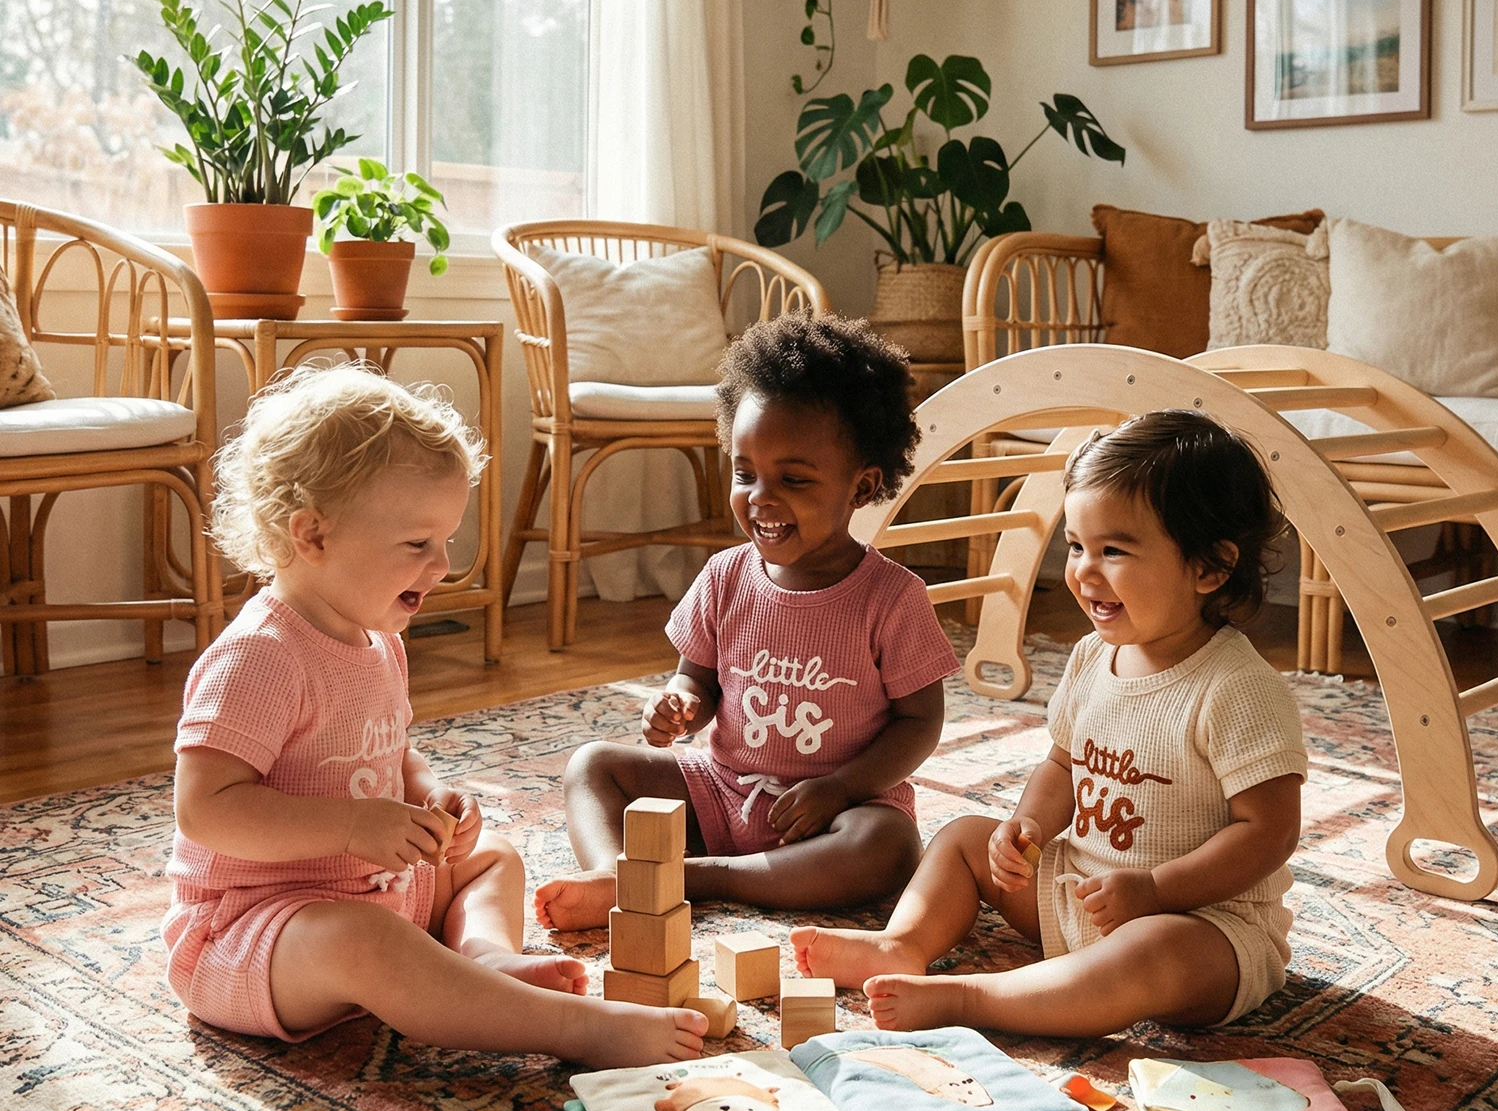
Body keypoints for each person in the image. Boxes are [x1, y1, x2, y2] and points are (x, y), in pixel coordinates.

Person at [164, 365, 705, 1067]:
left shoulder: (378, 639)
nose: (443, 564)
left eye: (445, 540)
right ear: (313, 536)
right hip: (255, 933)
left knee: (492, 857)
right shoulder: (259, 656)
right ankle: (571, 1028)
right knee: (364, 941)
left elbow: (392, 752)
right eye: (418, 545)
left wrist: (429, 796)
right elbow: (204, 809)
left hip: (372, 889)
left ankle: (486, 960)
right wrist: (353, 826)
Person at [792, 410, 1306, 1039]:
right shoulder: (1091, 657)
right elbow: (1063, 764)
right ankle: (902, 944)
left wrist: (1155, 890)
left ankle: (972, 999)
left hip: (1202, 924)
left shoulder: (1237, 688)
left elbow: (1268, 833)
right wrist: (1028, 827)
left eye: (1113, 551)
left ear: (1210, 568)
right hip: (1078, 892)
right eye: (1077, 546)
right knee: (963, 837)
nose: (1084, 571)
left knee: (1151, 952)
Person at [535, 312, 960, 931]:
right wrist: (680, 704)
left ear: (862, 486)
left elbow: (920, 723)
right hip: (720, 788)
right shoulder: (725, 576)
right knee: (591, 766)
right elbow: (698, 680)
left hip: (830, 812)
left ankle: (693, 877)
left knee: (889, 846)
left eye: (793, 479)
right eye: (744, 473)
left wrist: (842, 789)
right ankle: (616, 876)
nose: (760, 496)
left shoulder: (893, 598)